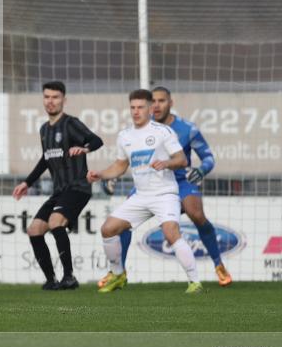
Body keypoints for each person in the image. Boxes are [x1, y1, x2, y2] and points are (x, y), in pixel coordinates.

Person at [98, 86, 232, 288]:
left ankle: (218, 264)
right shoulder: (131, 134)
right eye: (155, 101)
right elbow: (125, 162)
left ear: (170, 103)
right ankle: (119, 271)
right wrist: (108, 177)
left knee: (196, 214)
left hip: (180, 180)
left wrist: (202, 171)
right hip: (148, 184)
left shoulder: (187, 129)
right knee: (121, 222)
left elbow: (208, 157)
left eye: (162, 101)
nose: (158, 105)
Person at [87, 89, 202, 294]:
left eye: (140, 107)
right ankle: (118, 274)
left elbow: (181, 159)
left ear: (150, 109)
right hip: (141, 195)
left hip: (165, 193)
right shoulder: (125, 136)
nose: (136, 111)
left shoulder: (162, 132)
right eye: (132, 107)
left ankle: (195, 282)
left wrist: (166, 163)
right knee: (108, 229)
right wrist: (101, 174)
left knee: (171, 232)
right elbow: (121, 165)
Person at [12, 81, 103, 290]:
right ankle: (51, 280)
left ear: (64, 100)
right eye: (47, 97)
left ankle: (69, 276)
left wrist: (85, 149)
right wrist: (27, 182)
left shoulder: (71, 123)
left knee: (55, 222)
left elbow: (96, 140)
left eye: (55, 97)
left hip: (78, 187)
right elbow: (45, 159)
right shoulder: (44, 129)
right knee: (34, 229)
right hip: (59, 191)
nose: (50, 101)